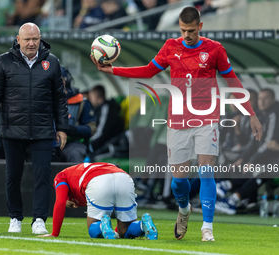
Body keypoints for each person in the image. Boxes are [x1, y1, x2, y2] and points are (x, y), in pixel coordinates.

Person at [91, 7, 262, 241]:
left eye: (191, 31)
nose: (187, 35)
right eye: (183, 30)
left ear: (200, 27)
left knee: (206, 172)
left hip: (207, 118)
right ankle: (184, 210)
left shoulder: (214, 50)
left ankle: (207, 228)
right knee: (178, 183)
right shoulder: (171, 47)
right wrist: (114, 70)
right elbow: (149, 71)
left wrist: (251, 113)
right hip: (179, 121)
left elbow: (232, 80)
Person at [0, 23, 68, 234]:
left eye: (35, 39)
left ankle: (39, 219)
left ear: (40, 39)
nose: (31, 43)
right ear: (18, 39)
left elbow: (60, 99)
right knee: (13, 176)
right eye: (27, 39)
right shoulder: (3, 61)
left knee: (42, 175)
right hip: (12, 130)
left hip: (42, 130)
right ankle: (15, 218)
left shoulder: (52, 62)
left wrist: (63, 128)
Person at [39, 162, 158, 239]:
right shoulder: (85, 168)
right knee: (124, 230)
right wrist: (116, 232)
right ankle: (143, 225)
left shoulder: (61, 176)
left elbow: (59, 202)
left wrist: (54, 233)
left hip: (97, 180)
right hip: (124, 177)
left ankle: (102, 227)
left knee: (93, 229)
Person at [216, 89, 279, 214]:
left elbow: (268, 143)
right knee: (251, 168)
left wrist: (251, 160)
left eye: (265, 99)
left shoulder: (273, 114)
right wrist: (246, 159)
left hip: (271, 160)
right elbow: (255, 142)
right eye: (260, 99)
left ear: (272, 100)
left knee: (262, 170)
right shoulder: (260, 115)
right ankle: (237, 197)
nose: (262, 102)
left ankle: (231, 193)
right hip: (267, 158)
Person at [53, 66, 96, 163]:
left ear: (66, 81)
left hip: (72, 143)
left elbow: (91, 128)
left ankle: (76, 177)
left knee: (74, 154)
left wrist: (71, 129)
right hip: (45, 144)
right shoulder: (40, 100)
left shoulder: (81, 101)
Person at [88, 85, 124, 152]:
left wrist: (88, 142)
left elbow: (101, 132)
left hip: (109, 143)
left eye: (91, 97)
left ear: (96, 95)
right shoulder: (98, 109)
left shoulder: (106, 108)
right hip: (103, 142)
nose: (90, 100)